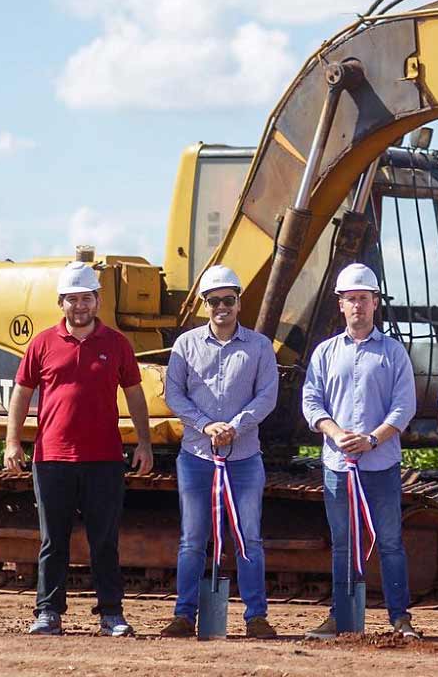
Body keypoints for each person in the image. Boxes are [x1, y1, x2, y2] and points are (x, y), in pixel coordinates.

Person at [3, 260, 153, 637]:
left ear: (97, 300)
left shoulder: (117, 344)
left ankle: (111, 614)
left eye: (85, 298)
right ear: (61, 303)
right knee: (53, 540)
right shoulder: (42, 344)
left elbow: (134, 395)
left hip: (104, 459)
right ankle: (48, 612)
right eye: (72, 300)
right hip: (52, 459)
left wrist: (144, 443)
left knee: (105, 540)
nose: (79, 306)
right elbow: (21, 394)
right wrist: (12, 441)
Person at [301, 263, 421, 640]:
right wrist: (335, 433)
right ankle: (342, 616)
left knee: (389, 542)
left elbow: (404, 407)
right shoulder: (325, 353)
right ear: (340, 305)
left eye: (364, 299)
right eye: (351, 299)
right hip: (338, 466)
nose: (358, 306)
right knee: (343, 544)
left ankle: (400, 619)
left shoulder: (394, 353)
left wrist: (371, 439)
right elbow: (311, 400)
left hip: (381, 464)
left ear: (375, 304)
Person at [159, 266, 280, 639]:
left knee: (249, 538)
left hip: (244, 458)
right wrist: (205, 424)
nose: (222, 307)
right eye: (214, 301)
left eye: (228, 300)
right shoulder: (185, 345)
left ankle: (256, 617)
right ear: (204, 305)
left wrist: (236, 425)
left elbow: (267, 396)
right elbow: (174, 393)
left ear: (239, 302)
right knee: (192, 538)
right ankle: (184, 615)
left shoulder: (260, 347)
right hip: (196, 458)